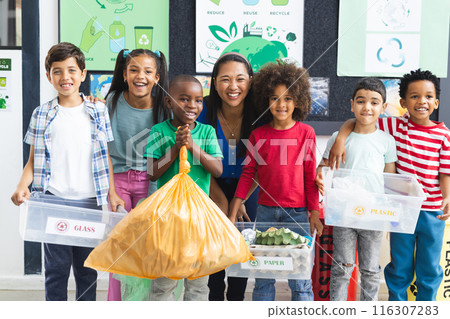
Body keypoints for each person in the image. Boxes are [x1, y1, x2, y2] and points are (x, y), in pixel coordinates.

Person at [10, 42, 122, 301]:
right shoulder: (41, 114)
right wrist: (21, 186)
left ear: (83, 74)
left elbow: (105, 156)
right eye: (57, 71)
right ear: (49, 76)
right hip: (53, 201)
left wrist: (112, 194)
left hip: (89, 204)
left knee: (86, 271)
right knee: (56, 270)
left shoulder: (99, 110)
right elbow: (33, 161)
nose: (65, 77)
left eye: (72, 70)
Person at [327, 69, 450, 301]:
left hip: (432, 211)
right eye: (414, 96)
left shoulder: (444, 135)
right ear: (403, 102)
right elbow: (359, 120)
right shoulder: (393, 127)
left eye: (427, 96)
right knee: (400, 266)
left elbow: (446, 172)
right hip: (402, 210)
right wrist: (341, 138)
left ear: (436, 101)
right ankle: (395, 308)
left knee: (429, 268)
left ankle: (427, 308)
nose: (421, 101)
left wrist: (447, 196)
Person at [228, 61, 323, 301]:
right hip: (267, 214)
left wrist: (314, 212)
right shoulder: (258, 135)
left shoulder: (306, 133)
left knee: (300, 282)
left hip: (298, 215)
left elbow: (310, 176)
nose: (281, 105)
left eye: (288, 98)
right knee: (263, 280)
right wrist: (233, 210)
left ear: (298, 101)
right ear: (265, 101)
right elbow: (248, 174)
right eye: (274, 98)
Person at [315, 78, 397, 301]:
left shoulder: (387, 141)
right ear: (352, 104)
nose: (367, 107)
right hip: (344, 213)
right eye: (361, 101)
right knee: (342, 266)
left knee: (370, 270)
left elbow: (389, 180)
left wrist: (390, 216)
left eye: (374, 102)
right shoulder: (337, 138)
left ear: (383, 108)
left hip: (374, 214)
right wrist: (319, 177)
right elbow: (322, 168)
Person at [145, 75, 223, 301]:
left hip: (199, 220)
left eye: (198, 100)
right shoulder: (159, 131)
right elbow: (152, 173)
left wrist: (192, 146)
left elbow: (217, 169)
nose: (192, 105)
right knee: (163, 284)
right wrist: (176, 147)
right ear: (169, 102)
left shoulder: (206, 132)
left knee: (198, 285)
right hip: (168, 220)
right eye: (184, 99)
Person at [105, 48, 171, 301]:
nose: (139, 76)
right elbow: (105, 153)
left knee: (148, 249)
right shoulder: (111, 102)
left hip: (150, 182)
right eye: (133, 70)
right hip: (118, 181)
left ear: (156, 77)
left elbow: (163, 158)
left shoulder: (165, 109)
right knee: (118, 249)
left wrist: (153, 198)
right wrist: (112, 192)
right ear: (124, 74)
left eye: (147, 71)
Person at [197, 52, 259, 301]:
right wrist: (222, 202)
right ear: (213, 81)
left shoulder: (261, 112)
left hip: (250, 187)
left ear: (251, 81)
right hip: (211, 184)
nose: (233, 87)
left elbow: (264, 165)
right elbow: (194, 159)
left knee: (239, 251)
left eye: (240, 79)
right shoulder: (202, 109)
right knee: (213, 254)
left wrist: (239, 199)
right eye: (225, 79)